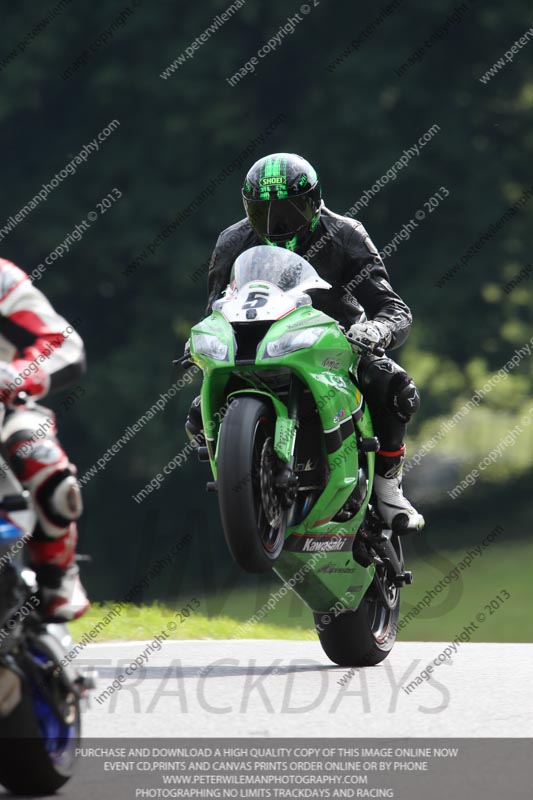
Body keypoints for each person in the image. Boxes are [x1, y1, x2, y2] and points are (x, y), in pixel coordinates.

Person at [186, 153, 424, 531]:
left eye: (289, 210)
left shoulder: (345, 234)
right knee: (199, 414)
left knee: (395, 386)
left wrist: (377, 330)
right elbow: (214, 308)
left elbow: (392, 307)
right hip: (255, 344)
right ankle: (245, 485)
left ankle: (388, 487)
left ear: (314, 202)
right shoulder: (232, 241)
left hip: (337, 344)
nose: (276, 223)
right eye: (262, 212)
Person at [0, 256, 89, 620]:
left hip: (6, 410)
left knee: (41, 456)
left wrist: (19, 375)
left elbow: (63, 344)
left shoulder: (2, 278)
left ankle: (57, 579)